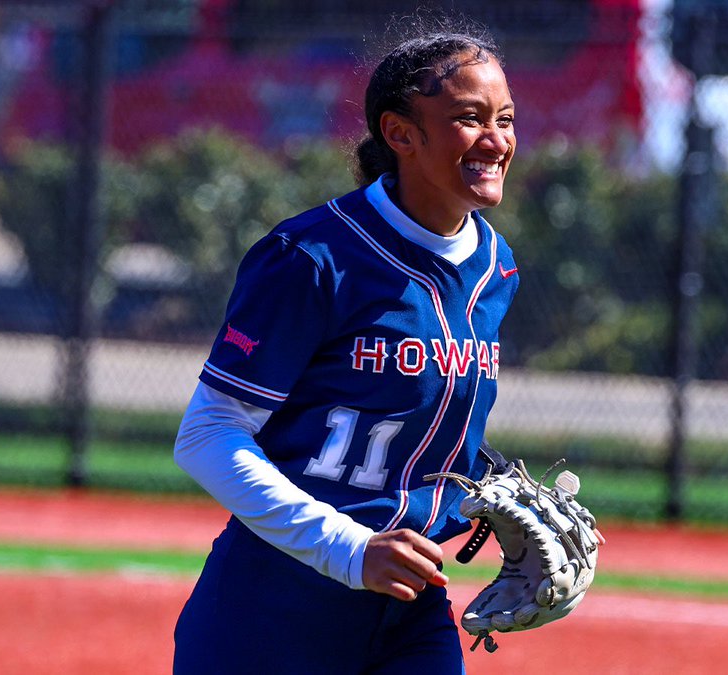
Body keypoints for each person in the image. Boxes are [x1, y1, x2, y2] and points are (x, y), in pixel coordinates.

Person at [172, 18, 520, 674]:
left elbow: (408, 419)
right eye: (469, 118)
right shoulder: (313, 256)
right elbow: (208, 434)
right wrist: (350, 549)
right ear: (400, 133)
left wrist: (485, 486)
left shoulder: (498, 267)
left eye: (505, 118)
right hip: (274, 607)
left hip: (410, 605)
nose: (495, 139)